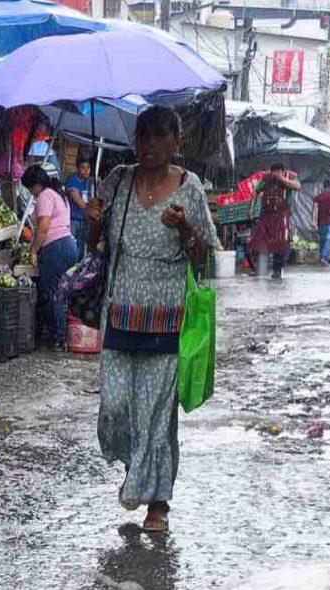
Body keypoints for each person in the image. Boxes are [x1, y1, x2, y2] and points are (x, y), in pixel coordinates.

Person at [84, 107, 220, 533]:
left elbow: (203, 257)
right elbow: (95, 247)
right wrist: (93, 223)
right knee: (115, 408)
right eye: (143, 136)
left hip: (166, 318)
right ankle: (136, 471)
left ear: (176, 142)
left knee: (157, 415)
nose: (150, 145)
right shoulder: (118, 180)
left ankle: (157, 503)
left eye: (160, 137)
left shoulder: (189, 188)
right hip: (120, 313)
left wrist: (184, 230)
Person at [23, 165, 78, 351]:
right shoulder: (58, 194)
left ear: (34, 185)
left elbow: (44, 227)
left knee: (54, 294)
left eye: (30, 188)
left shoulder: (45, 196)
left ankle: (57, 339)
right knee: (61, 292)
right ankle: (59, 335)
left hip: (56, 248)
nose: (31, 193)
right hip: (69, 245)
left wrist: (33, 251)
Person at [248, 163, 301, 279]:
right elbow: (256, 191)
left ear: (283, 171)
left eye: (278, 173)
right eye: (274, 173)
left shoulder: (290, 177)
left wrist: (282, 178)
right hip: (266, 216)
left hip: (281, 217)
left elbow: (297, 186)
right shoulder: (267, 179)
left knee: (280, 243)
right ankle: (260, 269)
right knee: (260, 242)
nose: (275, 176)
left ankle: (277, 270)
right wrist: (251, 209)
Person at [66, 158, 94, 258]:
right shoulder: (73, 180)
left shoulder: (90, 181)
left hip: (84, 220)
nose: (86, 170)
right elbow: (76, 198)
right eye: (83, 168)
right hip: (73, 220)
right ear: (78, 169)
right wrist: (90, 211)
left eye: (88, 168)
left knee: (81, 249)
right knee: (71, 248)